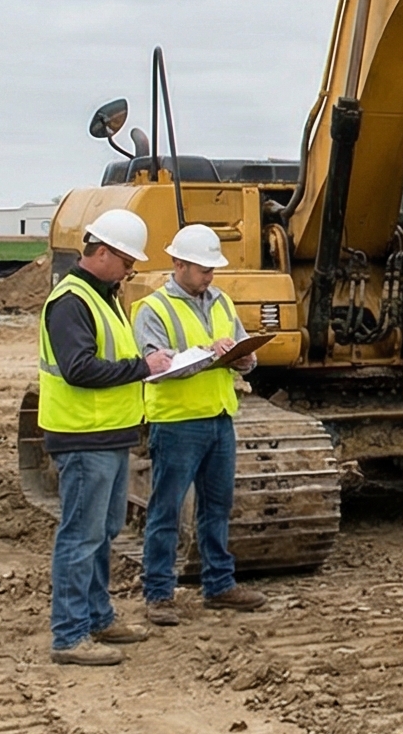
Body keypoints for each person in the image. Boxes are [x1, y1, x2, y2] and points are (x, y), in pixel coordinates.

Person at [38, 209, 172, 666]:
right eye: (127, 260)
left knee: (104, 531)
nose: (131, 269)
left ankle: (97, 616)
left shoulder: (105, 296)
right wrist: (143, 368)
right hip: (83, 436)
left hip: (109, 436)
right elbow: (79, 369)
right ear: (101, 252)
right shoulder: (72, 300)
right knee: (81, 536)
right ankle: (70, 635)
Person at [132, 223, 269, 625]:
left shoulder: (222, 302)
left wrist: (244, 358)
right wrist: (208, 352)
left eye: (212, 269)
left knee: (217, 507)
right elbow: (158, 364)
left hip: (219, 418)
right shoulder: (153, 309)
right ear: (178, 263)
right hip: (177, 423)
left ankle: (219, 584)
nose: (210, 276)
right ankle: (158, 593)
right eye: (203, 269)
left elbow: (245, 350)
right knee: (167, 510)